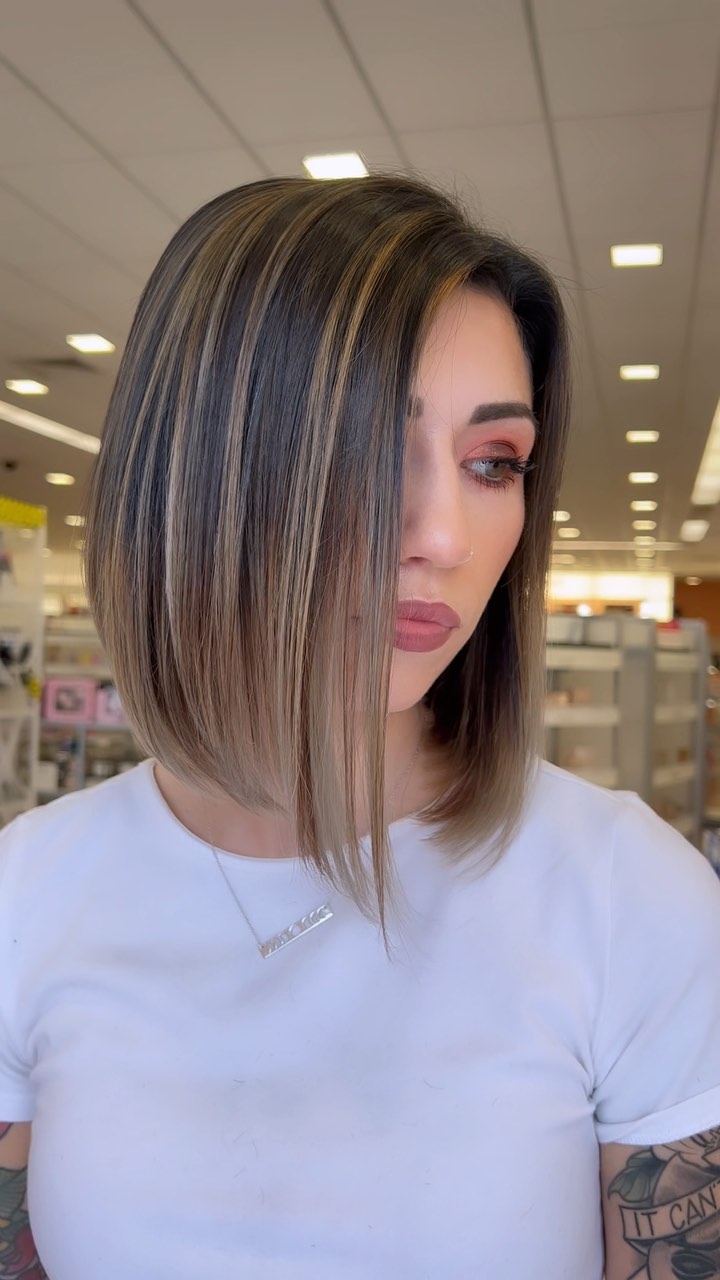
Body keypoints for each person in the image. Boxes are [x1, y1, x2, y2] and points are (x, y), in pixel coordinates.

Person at [1, 174, 720, 1280]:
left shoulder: (628, 895)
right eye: (366, 447)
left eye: (493, 463)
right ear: (202, 472)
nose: (445, 534)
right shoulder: (31, 892)